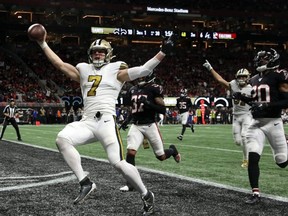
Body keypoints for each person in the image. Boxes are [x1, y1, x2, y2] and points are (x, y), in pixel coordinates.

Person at [33, 25, 177, 215]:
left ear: (108, 54)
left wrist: (163, 52)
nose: (98, 55)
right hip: (87, 121)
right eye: (95, 52)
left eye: (101, 52)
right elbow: (60, 65)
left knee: (117, 163)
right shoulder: (83, 69)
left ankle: (146, 193)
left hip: (106, 122)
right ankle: (85, 182)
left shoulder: (116, 70)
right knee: (62, 139)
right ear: (90, 54)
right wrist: (43, 43)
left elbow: (143, 70)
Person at [232, 48, 288, 204]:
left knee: (282, 161)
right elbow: (257, 103)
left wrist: (267, 106)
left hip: (273, 122)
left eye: (264, 59)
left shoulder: (279, 75)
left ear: (273, 59)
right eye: (260, 59)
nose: (260, 61)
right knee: (253, 157)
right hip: (256, 124)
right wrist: (243, 97)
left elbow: (286, 100)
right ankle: (255, 193)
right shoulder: (254, 79)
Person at [119, 73, 181, 192]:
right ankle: (131, 183)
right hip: (136, 125)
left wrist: (148, 103)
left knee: (161, 156)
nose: (140, 78)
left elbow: (163, 110)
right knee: (130, 152)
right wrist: (127, 120)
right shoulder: (133, 90)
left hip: (150, 125)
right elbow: (134, 109)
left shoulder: (154, 88)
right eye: (139, 76)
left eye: (142, 76)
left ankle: (173, 150)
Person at [203, 61, 253, 168]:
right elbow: (220, 80)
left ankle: (246, 160)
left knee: (244, 136)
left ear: (248, 77)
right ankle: (248, 150)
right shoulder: (233, 85)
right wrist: (210, 68)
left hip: (247, 115)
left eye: (244, 77)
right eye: (240, 77)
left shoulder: (252, 88)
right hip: (236, 116)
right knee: (238, 142)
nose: (241, 79)